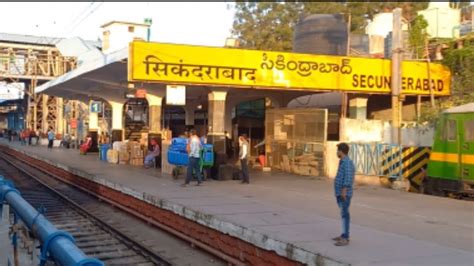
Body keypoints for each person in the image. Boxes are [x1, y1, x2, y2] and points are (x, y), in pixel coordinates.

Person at [333, 142, 355, 247]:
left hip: (344, 194)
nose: (337, 152)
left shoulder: (347, 163)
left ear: (341, 151)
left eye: (338, 150)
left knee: (345, 215)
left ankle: (345, 238)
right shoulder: (342, 162)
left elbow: (348, 177)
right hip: (339, 193)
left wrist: (344, 191)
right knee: (343, 214)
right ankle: (343, 234)